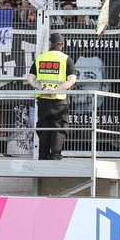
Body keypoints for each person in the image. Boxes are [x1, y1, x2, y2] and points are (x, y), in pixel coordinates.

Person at [26, 32, 78, 160]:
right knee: (59, 129)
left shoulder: (40, 58)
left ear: (50, 43)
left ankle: (43, 157)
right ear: (63, 45)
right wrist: (55, 90)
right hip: (59, 100)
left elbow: (30, 79)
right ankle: (55, 156)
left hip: (43, 99)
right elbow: (72, 80)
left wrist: (43, 89)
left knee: (44, 128)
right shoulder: (66, 59)